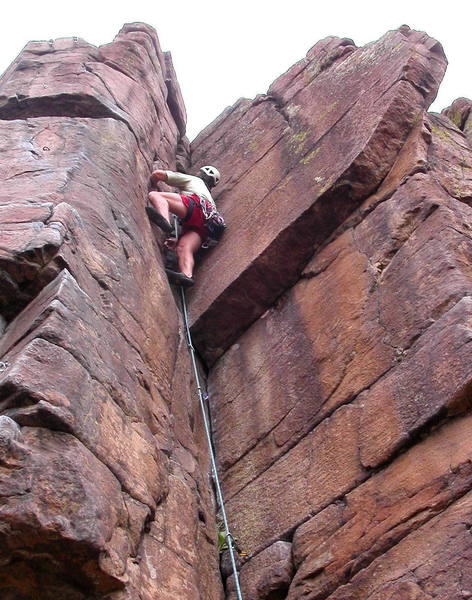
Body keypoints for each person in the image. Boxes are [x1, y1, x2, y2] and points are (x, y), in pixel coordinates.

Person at [147, 165, 222, 288]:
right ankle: (186, 275)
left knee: (155, 196)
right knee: (184, 247)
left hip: (195, 206)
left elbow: (158, 174)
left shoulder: (195, 180)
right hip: (208, 225)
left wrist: (154, 185)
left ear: (201, 174)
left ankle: (164, 220)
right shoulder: (210, 199)